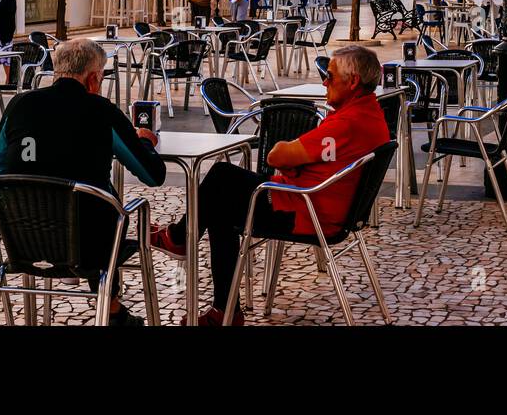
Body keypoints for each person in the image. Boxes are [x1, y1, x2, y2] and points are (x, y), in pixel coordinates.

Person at [151, 45, 390, 325]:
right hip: (323, 206)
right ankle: (222, 307)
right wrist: (298, 161)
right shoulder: (371, 115)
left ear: (353, 82)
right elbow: (309, 156)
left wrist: (291, 158)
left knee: (222, 177)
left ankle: (182, 242)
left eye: (331, 76)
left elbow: (275, 155)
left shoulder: (347, 123)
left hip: (305, 210)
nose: (325, 81)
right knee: (221, 202)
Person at [0, 38, 166, 326]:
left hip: (23, 240)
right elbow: (152, 175)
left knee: (95, 207)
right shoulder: (102, 111)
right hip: (89, 246)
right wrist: (144, 142)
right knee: (107, 209)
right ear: (94, 78)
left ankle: (111, 307)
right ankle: (109, 306)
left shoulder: (19, 105)